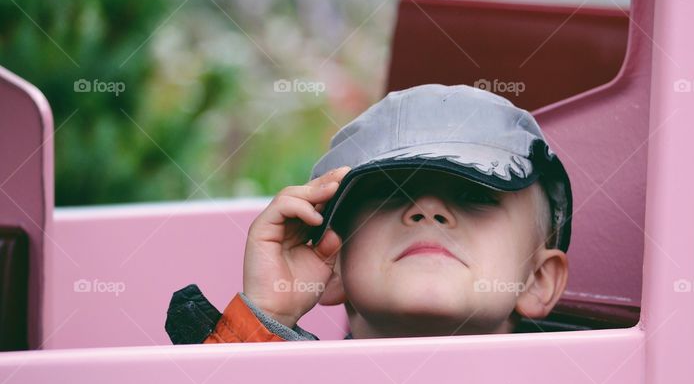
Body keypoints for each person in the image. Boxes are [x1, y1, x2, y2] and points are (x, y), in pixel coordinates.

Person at [165, 83, 573, 344]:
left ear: (536, 280)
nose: (426, 209)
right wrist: (270, 315)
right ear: (334, 263)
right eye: (388, 193)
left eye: (475, 195)